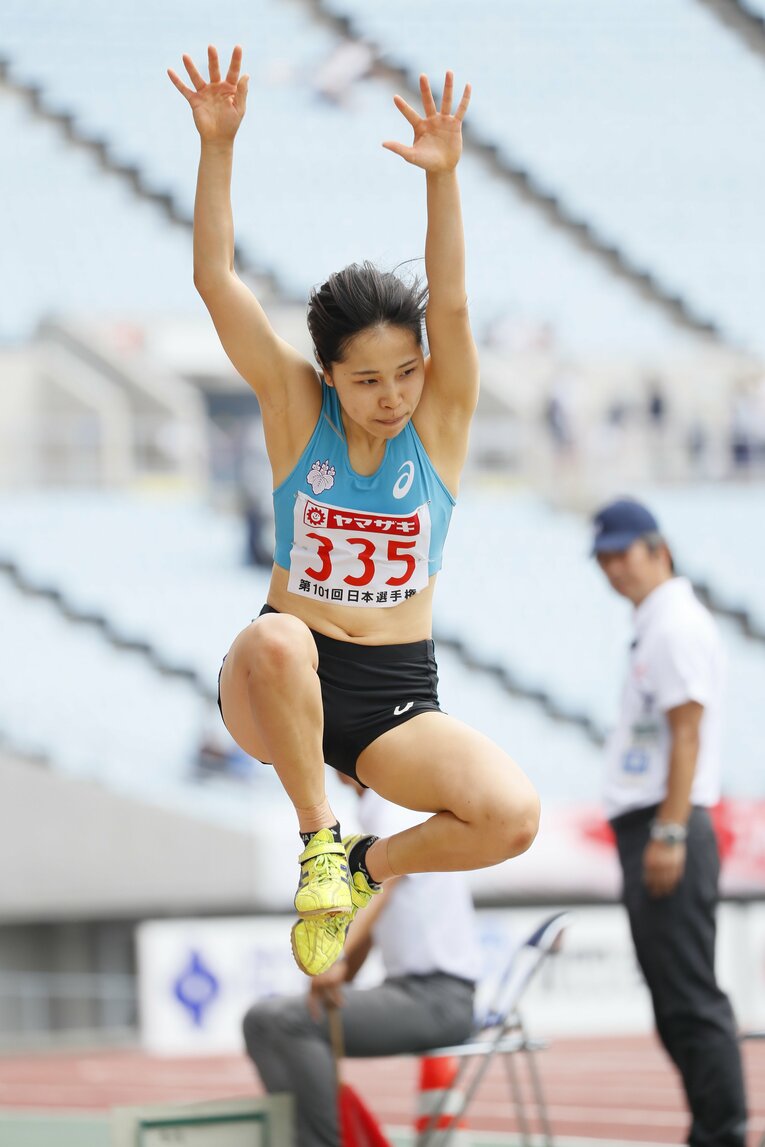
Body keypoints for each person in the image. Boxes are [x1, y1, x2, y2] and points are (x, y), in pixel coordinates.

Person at [168, 46, 539, 977]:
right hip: (278, 679)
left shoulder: (439, 424)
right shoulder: (298, 412)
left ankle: (367, 865)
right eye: (366, 380)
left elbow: (449, 304)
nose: (392, 395)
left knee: (510, 815)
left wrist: (444, 180)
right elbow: (219, 283)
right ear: (328, 375)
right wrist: (219, 147)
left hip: (392, 693)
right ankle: (319, 844)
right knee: (275, 640)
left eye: (405, 372)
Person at [591, 497, 748, 1147]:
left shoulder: (674, 623)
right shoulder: (656, 622)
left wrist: (669, 830)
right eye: (603, 558)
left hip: (666, 823)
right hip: (657, 821)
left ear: (659, 548)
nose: (612, 569)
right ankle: (712, 1128)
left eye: (623, 553)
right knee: (674, 1000)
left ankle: (722, 1132)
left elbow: (686, 733)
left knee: (688, 999)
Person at [243, 779, 482, 1147]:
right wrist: (344, 973)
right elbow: (375, 901)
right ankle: (308, 1135)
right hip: (421, 993)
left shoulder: (390, 802)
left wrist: (334, 956)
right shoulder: (393, 805)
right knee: (265, 1021)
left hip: (437, 998)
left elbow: (386, 882)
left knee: (283, 1021)